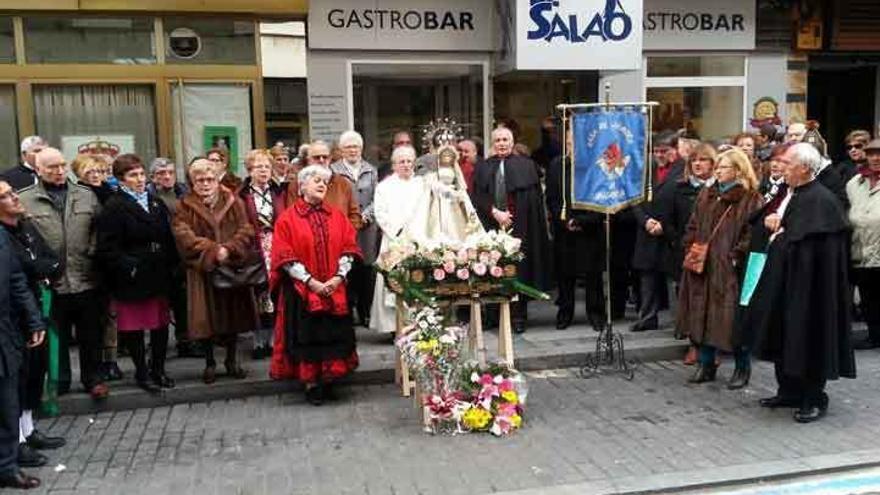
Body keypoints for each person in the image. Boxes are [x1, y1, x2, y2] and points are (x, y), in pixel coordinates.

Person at [747, 143, 855, 423]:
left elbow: (813, 246)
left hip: (812, 288)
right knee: (784, 335)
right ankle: (788, 391)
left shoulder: (821, 200)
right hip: (787, 281)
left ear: (805, 168)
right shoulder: (793, 193)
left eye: (789, 165)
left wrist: (781, 235)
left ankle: (813, 398)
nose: (783, 171)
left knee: (808, 338)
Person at [19, 148, 108, 399]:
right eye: (51, 168)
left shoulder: (86, 195)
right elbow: (22, 237)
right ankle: (60, 380)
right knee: (55, 335)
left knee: (91, 333)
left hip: (85, 277)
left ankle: (94, 379)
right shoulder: (25, 200)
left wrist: (92, 252)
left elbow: (99, 229)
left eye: (62, 165)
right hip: (51, 283)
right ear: (37, 169)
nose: (59, 172)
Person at [269, 165, 361, 406]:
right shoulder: (287, 219)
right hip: (302, 291)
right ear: (302, 186)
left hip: (333, 287)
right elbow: (284, 255)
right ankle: (311, 384)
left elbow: (348, 248)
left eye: (324, 182)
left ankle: (330, 380)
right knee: (307, 335)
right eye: (316, 181)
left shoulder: (337, 216)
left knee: (332, 333)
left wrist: (338, 278)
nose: (322, 185)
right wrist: (311, 282)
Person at [677, 148, 763, 387]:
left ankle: (742, 368)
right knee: (701, 316)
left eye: (723, 167)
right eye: (718, 167)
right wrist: (690, 246)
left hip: (729, 269)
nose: (717, 171)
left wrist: (736, 256)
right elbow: (693, 223)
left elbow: (753, 233)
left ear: (738, 170)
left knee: (731, 320)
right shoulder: (707, 194)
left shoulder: (750, 197)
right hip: (702, 265)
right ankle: (706, 365)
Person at [95, 154, 178, 394]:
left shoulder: (154, 202)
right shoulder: (114, 206)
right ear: (121, 180)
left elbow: (167, 236)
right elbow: (106, 247)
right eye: (133, 175)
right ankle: (142, 371)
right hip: (132, 276)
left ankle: (158, 369)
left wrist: (172, 265)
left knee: (161, 325)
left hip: (158, 272)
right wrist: (129, 265)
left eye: (141, 174)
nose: (140, 179)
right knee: (135, 327)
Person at [172, 158, 259, 384]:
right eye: (200, 180)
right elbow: (183, 237)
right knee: (206, 320)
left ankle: (232, 360)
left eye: (210, 178)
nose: (205, 184)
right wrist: (213, 250)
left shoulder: (234, 201)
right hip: (202, 270)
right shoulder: (183, 205)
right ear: (192, 182)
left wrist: (229, 249)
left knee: (232, 317)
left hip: (231, 268)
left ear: (217, 178)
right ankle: (210, 362)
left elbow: (247, 229)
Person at [0, 180, 65, 470]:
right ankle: (17, 443)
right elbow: (23, 269)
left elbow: (51, 258)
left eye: (13, 192)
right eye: (7, 196)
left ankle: (28, 429)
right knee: (16, 377)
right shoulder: (4, 236)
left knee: (33, 374)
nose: (15, 198)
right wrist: (39, 268)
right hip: (13, 318)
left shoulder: (25, 226)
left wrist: (43, 269)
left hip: (35, 306)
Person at [473, 127, 552, 334]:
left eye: (505, 139)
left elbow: (532, 202)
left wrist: (511, 217)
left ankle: (518, 316)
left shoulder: (526, 166)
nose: (501, 143)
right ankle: (492, 315)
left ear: (512, 141)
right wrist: (495, 213)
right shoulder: (483, 167)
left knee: (518, 270)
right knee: (491, 268)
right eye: (497, 140)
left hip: (520, 227)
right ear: (492, 143)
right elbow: (478, 196)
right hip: (491, 226)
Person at [544, 131, 605, 332]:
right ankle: (565, 313)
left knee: (593, 276)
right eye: (569, 143)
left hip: (590, 229)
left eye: (576, 143)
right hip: (564, 229)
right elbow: (552, 198)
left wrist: (583, 221)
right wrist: (565, 221)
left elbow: (601, 199)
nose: (572, 147)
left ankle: (596, 314)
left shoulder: (597, 166)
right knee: (565, 275)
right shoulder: (556, 165)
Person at [0, 226, 45, 490]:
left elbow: (17, 281)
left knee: (7, 405)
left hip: (5, 335)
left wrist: (33, 320)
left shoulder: (2, 236)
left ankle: (6, 467)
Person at [631, 131, 685, 332]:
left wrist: (664, 224)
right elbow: (635, 200)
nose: (660, 155)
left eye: (664, 151)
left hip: (671, 233)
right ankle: (647, 317)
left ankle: (680, 323)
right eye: (656, 151)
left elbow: (684, 203)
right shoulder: (645, 170)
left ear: (675, 150)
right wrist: (645, 221)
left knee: (674, 281)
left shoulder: (684, 169)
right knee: (647, 278)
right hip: (647, 231)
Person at [370, 146, 424, 335]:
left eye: (410, 161)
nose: (406, 165)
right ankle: (394, 327)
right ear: (394, 165)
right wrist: (398, 233)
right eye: (402, 161)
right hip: (393, 241)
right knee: (392, 283)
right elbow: (380, 213)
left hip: (418, 241)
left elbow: (427, 212)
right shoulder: (384, 187)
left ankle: (418, 324)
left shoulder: (421, 184)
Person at [239, 150, 287, 359]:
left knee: (276, 294)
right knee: (258, 295)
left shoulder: (277, 192)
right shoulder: (241, 195)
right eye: (259, 167)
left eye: (267, 167)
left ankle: (274, 340)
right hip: (254, 249)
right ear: (250, 170)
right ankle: (259, 342)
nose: (264, 171)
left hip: (275, 247)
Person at [146, 158, 196, 359]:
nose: (167, 177)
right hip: (159, 254)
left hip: (182, 253)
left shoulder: (184, 193)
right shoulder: (147, 196)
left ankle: (185, 340)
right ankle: (158, 343)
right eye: (161, 173)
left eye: (170, 172)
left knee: (183, 301)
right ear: (153, 177)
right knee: (159, 302)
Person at [331, 131, 379, 328]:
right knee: (346, 269)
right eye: (349, 147)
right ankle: (347, 312)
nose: (353, 150)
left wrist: (365, 216)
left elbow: (378, 198)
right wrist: (349, 221)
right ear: (341, 150)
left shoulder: (371, 170)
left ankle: (366, 312)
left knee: (367, 271)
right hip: (344, 228)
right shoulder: (333, 170)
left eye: (356, 147)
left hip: (367, 229)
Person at [847, 139, 880, 349]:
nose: (876, 158)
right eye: (871, 154)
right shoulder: (854, 183)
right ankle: (875, 334)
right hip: (861, 250)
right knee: (868, 298)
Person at [286, 141, 362, 229]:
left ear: (330, 159)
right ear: (308, 160)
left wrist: (347, 235)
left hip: (339, 239)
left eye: (325, 157)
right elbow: (291, 215)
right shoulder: (297, 184)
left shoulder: (342, 183)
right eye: (316, 157)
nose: (321, 160)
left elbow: (354, 214)